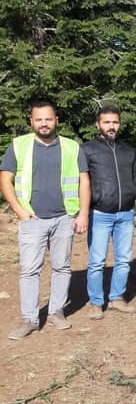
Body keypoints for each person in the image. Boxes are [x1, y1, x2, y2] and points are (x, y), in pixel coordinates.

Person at [1, 101, 89, 340]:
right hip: (32, 219)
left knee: (62, 266)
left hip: (64, 218)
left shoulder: (72, 147)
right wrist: (19, 211)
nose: (43, 123)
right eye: (38, 119)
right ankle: (29, 319)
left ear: (56, 120)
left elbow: (84, 181)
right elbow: (5, 179)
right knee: (29, 270)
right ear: (31, 122)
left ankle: (56, 312)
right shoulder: (19, 146)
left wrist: (82, 214)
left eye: (48, 119)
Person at [83, 106, 136, 319]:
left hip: (125, 213)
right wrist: (94, 200)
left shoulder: (128, 150)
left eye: (115, 122)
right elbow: (83, 180)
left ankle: (117, 297)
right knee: (97, 260)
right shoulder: (88, 149)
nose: (112, 126)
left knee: (124, 259)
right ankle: (96, 302)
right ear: (98, 124)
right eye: (107, 122)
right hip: (99, 213)